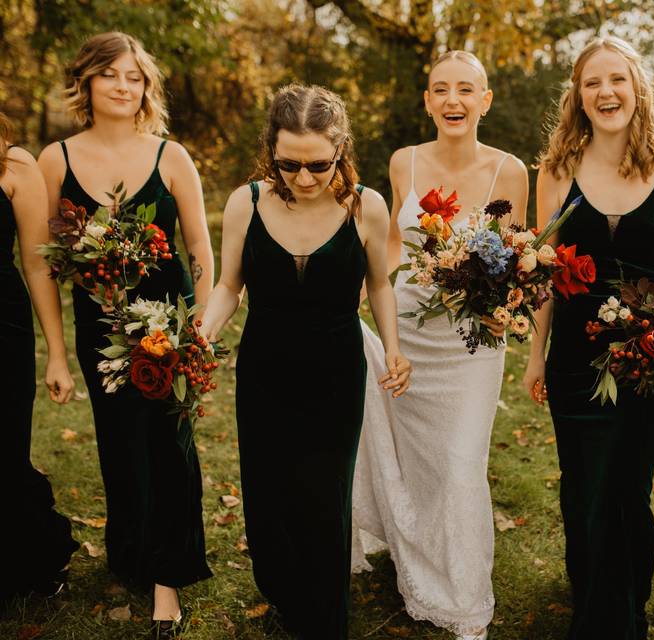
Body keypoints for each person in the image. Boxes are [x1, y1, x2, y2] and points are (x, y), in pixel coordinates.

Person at [198, 83, 410, 640]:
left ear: (340, 152)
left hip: (335, 373)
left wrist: (391, 345)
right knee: (269, 496)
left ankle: (324, 617)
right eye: (288, 164)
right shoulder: (245, 203)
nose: (305, 177)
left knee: (323, 497)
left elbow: (381, 285)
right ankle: (283, 589)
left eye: (319, 164)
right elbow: (228, 285)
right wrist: (199, 334)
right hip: (265, 371)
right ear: (271, 149)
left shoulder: (366, 206)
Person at [521, 37, 654, 639]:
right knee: (584, 485)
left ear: (637, 88)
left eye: (617, 80)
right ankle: (592, 593)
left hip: (651, 356)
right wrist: (535, 356)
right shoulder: (554, 171)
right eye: (592, 83)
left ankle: (619, 612)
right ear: (578, 95)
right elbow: (541, 273)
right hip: (575, 353)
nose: (605, 93)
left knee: (628, 484)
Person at [37, 31, 214, 634]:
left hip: (170, 326)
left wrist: (202, 325)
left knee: (171, 447)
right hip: (100, 330)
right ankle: (134, 553)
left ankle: (170, 579)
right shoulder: (54, 160)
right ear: (87, 80)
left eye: (134, 76)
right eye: (110, 74)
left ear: (147, 88)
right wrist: (57, 355)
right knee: (120, 447)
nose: (122, 85)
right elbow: (42, 262)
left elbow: (200, 248)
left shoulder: (172, 156)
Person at [350, 50, 527, 640]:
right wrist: (370, 303)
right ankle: (413, 553)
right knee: (414, 453)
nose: (453, 100)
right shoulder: (405, 161)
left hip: (472, 343)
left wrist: (507, 308)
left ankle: (463, 601)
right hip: (410, 328)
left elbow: (520, 261)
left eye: (465, 90)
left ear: (485, 100)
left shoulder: (512, 171)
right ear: (426, 101)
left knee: (458, 466)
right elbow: (395, 247)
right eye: (440, 90)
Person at [0, 111, 79, 603]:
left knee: (5, 450)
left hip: (1, 324)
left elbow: (36, 263)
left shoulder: (14, 164)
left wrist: (56, 354)